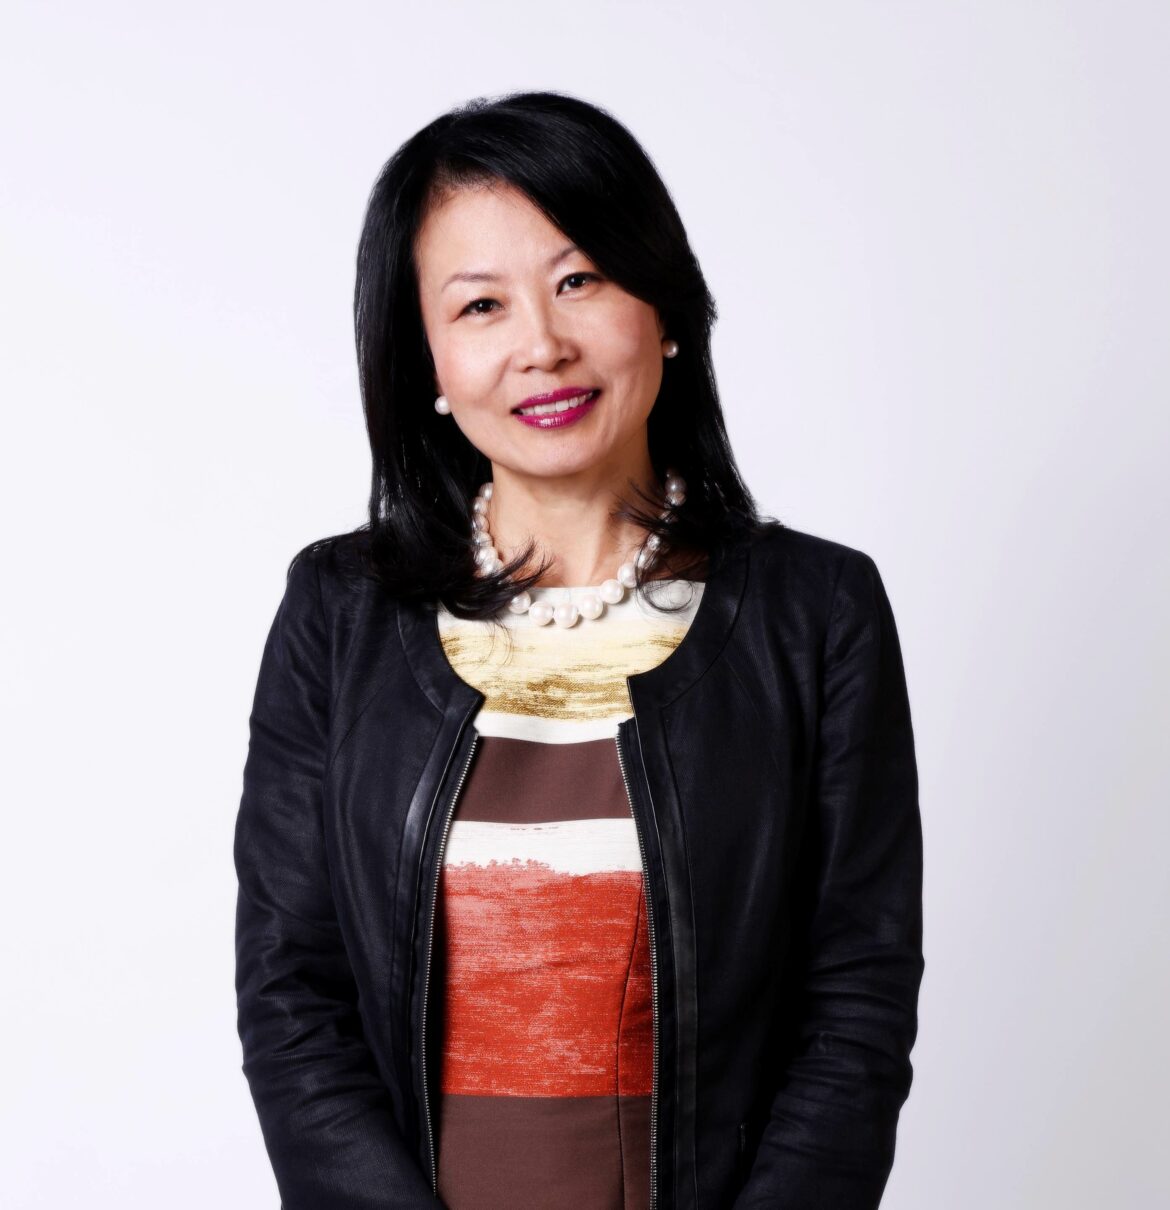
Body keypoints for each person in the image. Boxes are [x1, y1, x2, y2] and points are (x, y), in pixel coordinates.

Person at [233, 90, 924, 1210]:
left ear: (667, 309)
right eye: (480, 306)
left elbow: (856, 998)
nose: (542, 347)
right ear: (427, 364)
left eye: (580, 281)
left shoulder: (816, 613)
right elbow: (291, 994)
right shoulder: (338, 613)